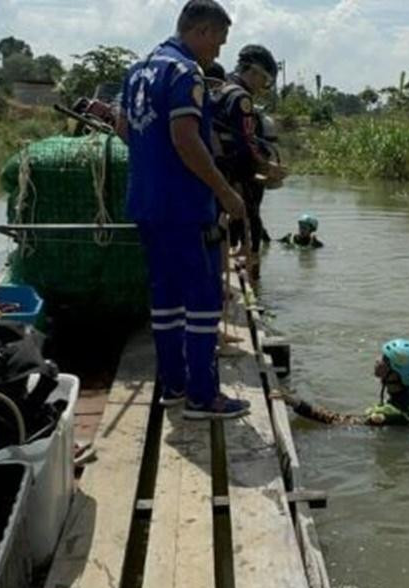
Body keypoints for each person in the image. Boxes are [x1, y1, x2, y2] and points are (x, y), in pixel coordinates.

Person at [115, 0, 250, 419]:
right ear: (204, 31)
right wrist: (225, 191)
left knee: (166, 299)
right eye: (219, 42)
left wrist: (153, 165)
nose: (218, 53)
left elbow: (122, 128)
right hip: (186, 207)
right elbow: (185, 138)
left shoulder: (139, 69)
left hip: (146, 203)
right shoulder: (184, 72)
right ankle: (203, 396)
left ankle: (173, 385)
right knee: (203, 299)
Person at [212, 45, 286, 263]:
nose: (263, 87)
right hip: (234, 173)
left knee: (220, 225)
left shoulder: (220, 88)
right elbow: (246, 144)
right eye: (264, 80)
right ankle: (251, 274)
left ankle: (225, 269)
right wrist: (267, 167)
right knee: (250, 223)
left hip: (214, 170)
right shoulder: (241, 97)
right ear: (254, 72)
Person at [280, 339, 409, 426]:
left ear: (396, 375)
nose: (377, 361)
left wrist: (296, 403)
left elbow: (339, 421)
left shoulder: (390, 415)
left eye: (385, 360)